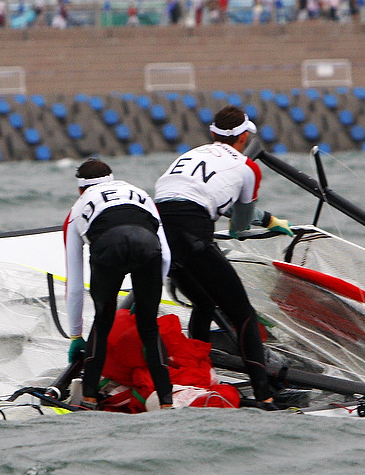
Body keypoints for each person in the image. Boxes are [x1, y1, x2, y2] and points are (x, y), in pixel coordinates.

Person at [154, 105, 294, 407]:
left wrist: (267, 218)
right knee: (242, 313)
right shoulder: (248, 167)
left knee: (204, 303)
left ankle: (198, 373)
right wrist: (266, 220)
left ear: (213, 134)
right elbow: (238, 228)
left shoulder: (190, 154)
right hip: (192, 235)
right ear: (243, 137)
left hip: (157, 232)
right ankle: (264, 395)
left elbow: (196, 194)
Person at [63, 159, 174, 411]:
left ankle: (89, 398)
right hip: (147, 245)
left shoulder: (77, 209)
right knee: (149, 326)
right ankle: (166, 400)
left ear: (80, 189)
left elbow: (75, 281)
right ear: (112, 180)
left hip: (107, 246)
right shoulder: (141, 194)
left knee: (103, 322)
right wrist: (149, 297)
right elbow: (166, 254)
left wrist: (75, 334)